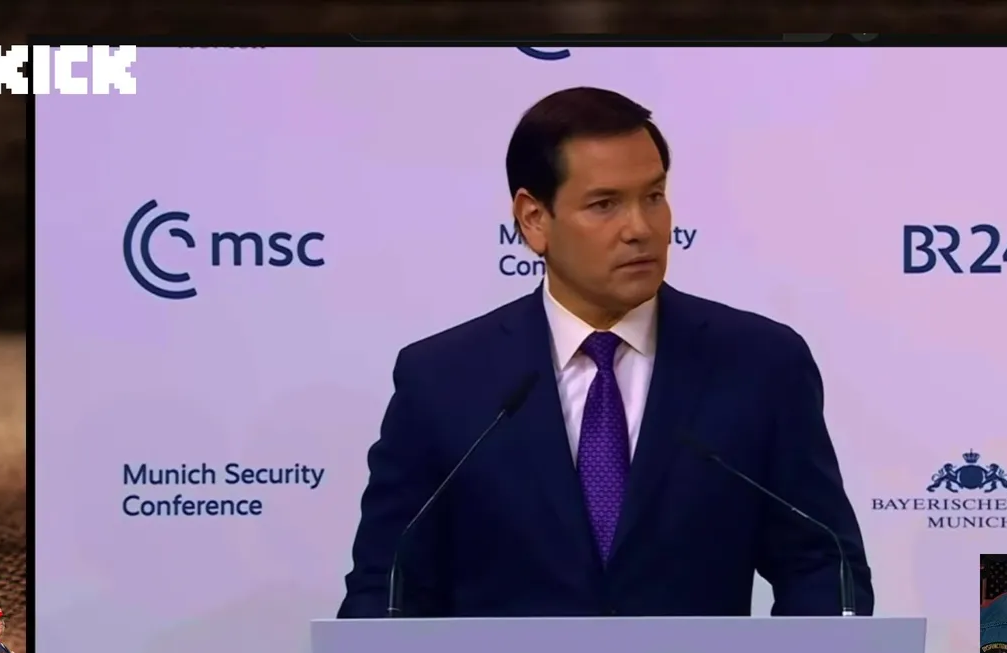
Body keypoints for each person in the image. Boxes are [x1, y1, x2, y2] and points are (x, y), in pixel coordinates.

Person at [338, 86, 873, 619]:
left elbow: (823, 566)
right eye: (604, 204)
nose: (640, 229)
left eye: (654, 197)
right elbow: (389, 587)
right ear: (534, 219)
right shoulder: (443, 380)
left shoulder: (759, 364)